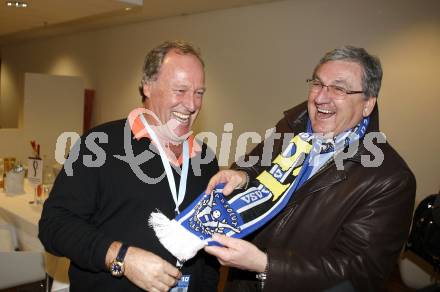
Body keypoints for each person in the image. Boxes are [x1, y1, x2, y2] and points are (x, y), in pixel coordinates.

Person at [204, 46, 416, 292]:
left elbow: (360, 273)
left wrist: (266, 264)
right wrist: (241, 175)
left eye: (339, 88)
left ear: (368, 104)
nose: (320, 98)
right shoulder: (292, 126)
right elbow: (253, 165)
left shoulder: (391, 179)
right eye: (318, 84)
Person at [39, 41, 219, 292]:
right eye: (180, 90)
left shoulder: (206, 159)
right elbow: (54, 225)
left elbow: (208, 253)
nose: (191, 104)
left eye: (199, 93)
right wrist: (122, 257)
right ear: (148, 86)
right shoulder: (98, 145)